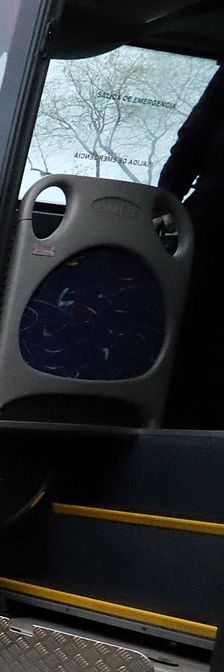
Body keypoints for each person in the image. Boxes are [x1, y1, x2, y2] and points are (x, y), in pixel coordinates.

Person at [159, 64, 224, 428]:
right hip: (213, 215)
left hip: (213, 214)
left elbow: (195, 135)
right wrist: (169, 196)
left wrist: (169, 196)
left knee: (191, 335)